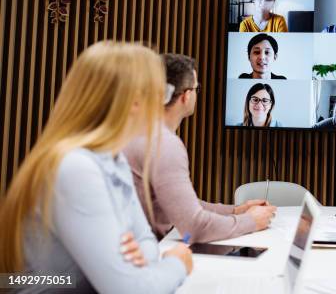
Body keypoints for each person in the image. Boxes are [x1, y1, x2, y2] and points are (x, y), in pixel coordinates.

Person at [0, 42, 192, 292]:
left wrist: (134, 259)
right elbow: (128, 290)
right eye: (161, 94)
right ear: (134, 100)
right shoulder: (76, 167)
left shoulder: (112, 157)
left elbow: (145, 242)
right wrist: (177, 263)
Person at [124, 54, 276, 244]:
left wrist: (235, 211)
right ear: (187, 96)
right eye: (197, 88)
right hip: (149, 258)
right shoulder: (164, 143)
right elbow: (194, 227)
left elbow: (183, 205)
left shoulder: (140, 132)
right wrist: (251, 221)